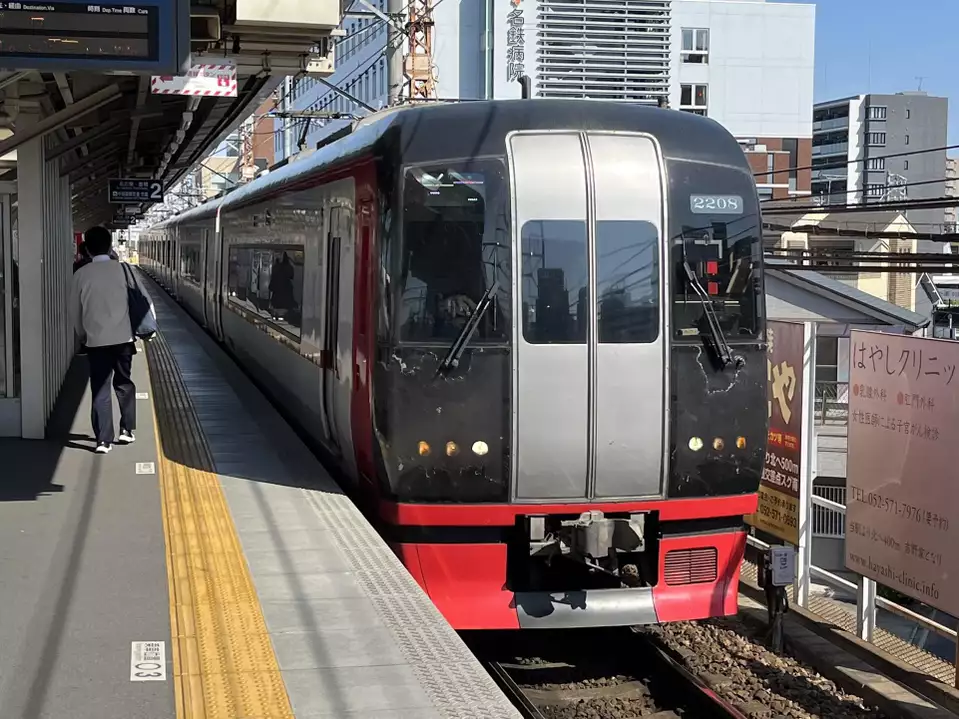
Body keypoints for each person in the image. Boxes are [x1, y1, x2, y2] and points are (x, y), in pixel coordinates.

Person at [70, 226, 157, 454]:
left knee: (100, 388)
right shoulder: (124, 270)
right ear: (110, 246)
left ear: (87, 249)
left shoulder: (80, 275)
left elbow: (75, 312)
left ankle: (103, 440)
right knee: (124, 383)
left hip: (95, 341)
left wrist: (82, 334)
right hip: (123, 339)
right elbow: (144, 300)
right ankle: (127, 430)